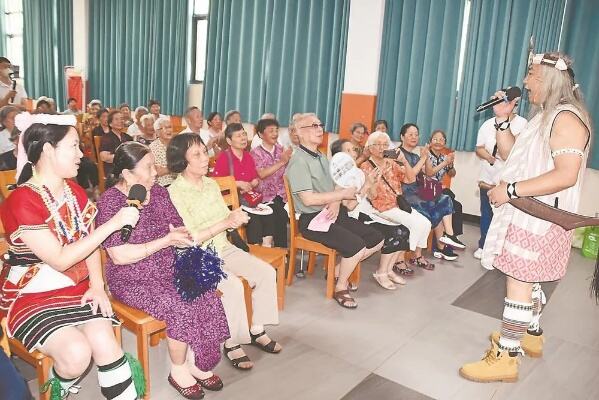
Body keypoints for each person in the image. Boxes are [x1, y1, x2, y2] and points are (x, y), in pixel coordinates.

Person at [460, 52, 592, 383]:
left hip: (540, 219)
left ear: (549, 79)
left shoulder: (566, 118)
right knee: (527, 279)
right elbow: (511, 154)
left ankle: (506, 355)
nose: (524, 82)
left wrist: (512, 190)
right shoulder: (545, 116)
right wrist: (502, 121)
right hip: (527, 215)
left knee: (518, 282)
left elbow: (567, 175)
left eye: (531, 74)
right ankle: (530, 334)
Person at [0, 112, 144, 399]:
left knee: (106, 344)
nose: (81, 154)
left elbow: (88, 244)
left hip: (78, 288)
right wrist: (113, 224)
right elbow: (62, 259)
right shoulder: (21, 200)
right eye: (74, 146)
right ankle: (57, 391)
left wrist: (97, 286)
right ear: (48, 149)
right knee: (77, 354)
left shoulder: (73, 191)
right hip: (32, 293)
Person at [97, 142, 229, 398]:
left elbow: (176, 226)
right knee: (179, 304)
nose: (156, 172)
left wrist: (178, 235)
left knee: (207, 292)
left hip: (168, 267)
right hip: (131, 278)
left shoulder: (157, 192)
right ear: (127, 174)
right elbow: (119, 256)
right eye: (148, 167)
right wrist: (165, 241)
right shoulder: (110, 202)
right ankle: (178, 370)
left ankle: (197, 362)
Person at [168, 133, 282, 372]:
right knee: (232, 286)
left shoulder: (210, 184)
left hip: (223, 247)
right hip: (198, 256)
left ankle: (256, 329)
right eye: (196, 154)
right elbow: (191, 237)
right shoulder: (175, 192)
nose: (204, 158)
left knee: (265, 273)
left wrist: (238, 216)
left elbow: (224, 216)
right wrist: (226, 222)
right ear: (182, 161)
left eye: (204, 151)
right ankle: (232, 343)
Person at [286, 113, 384, 309]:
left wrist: (364, 187)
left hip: (331, 213)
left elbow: (338, 187)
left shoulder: (321, 157)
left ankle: (338, 270)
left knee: (377, 238)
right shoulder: (299, 161)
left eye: (320, 124)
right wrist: (338, 198)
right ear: (299, 133)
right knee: (356, 245)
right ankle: (340, 287)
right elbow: (308, 199)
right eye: (313, 126)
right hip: (312, 220)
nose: (319, 128)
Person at [331, 138, 414, 286]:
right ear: (338, 156)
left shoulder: (357, 172)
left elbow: (369, 197)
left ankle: (387, 270)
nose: (354, 154)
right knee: (394, 234)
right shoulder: (339, 177)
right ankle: (376, 272)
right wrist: (365, 187)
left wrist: (371, 183)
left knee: (404, 231)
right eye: (348, 151)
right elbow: (349, 206)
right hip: (352, 216)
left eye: (353, 150)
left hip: (363, 211)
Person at [359, 132, 434, 280]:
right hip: (380, 207)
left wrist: (404, 161)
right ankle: (399, 261)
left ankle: (397, 261)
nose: (382, 148)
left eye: (385, 145)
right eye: (378, 145)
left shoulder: (392, 163)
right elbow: (372, 196)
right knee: (414, 225)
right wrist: (375, 179)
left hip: (398, 205)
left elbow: (410, 179)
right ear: (370, 148)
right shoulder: (365, 166)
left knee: (426, 223)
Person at [399, 123, 465, 264]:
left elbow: (427, 173)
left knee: (445, 199)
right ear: (402, 136)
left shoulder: (417, 156)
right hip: (405, 194)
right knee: (436, 207)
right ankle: (425, 251)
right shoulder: (398, 154)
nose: (414, 137)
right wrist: (425, 158)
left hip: (418, 191)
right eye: (410, 134)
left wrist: (427, 158)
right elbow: (408, 178)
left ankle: (449, 236)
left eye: (416, 134)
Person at [474, 105, 527, 260]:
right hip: (488, 177)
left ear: (515, 104)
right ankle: (483, 245)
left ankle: (502, 251)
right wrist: (490, 157)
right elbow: (479, 148)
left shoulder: (523, 123)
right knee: (486, 214)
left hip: (509, 180)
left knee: (507, 218)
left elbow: (515, 150)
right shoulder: (487, 123)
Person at [212, 123, 275, 246]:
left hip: (247, 198)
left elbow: (255, 179)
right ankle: (254, 249)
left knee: (270, 215)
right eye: (238, 136)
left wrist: (253, 182)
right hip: (231, 201)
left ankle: (266, 249)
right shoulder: (225, 157)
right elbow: (215, 182)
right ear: (229, 141)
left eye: (244, 134)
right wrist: (237, 183)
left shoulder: (248, 156)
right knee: (253, 218)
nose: (243, 138)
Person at [250, 118, 293, 247]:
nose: (275, 134)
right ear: (261, 135)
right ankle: (279, 249)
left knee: (282, 213)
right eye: (271, 131)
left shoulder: (281, 150)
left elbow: (288, 171)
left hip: (282, 194)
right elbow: (261, 174)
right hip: (264, 195)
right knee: (280, 214)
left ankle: (280, 249)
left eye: (276, 130)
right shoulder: (255, 153)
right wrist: (281, 162)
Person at [424, 129, 465, 258]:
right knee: (447, 202)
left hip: (439, 189)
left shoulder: (443, 157)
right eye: (435, 139)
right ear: (430, 141)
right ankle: (441, 244)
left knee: (457, 206)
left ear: (445, 143)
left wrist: (451, 164)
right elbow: (429, 173)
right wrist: (444, 163)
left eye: (441, 139)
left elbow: (452, 174)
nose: (438, 142)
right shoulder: (426, 155)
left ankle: (451, 238)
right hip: (426, 189)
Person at [99, 110, 133, 177]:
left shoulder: (128, 137)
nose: (120, 121)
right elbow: (104, 157)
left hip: (128, 169)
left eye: (122, 119)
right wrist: (123, 157)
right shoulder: (106, 138)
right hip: (113, 170)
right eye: (116, 119)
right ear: (110, 123)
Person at [149, 117, 176, 186]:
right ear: (157, 132)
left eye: (170, 127)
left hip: (179, 182)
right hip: (163, 184)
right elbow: (158, 171)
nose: (169, 130)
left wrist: (167, 168)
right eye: (165, 128)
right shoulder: (153, 147)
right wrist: (176, 166)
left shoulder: (177, 144)